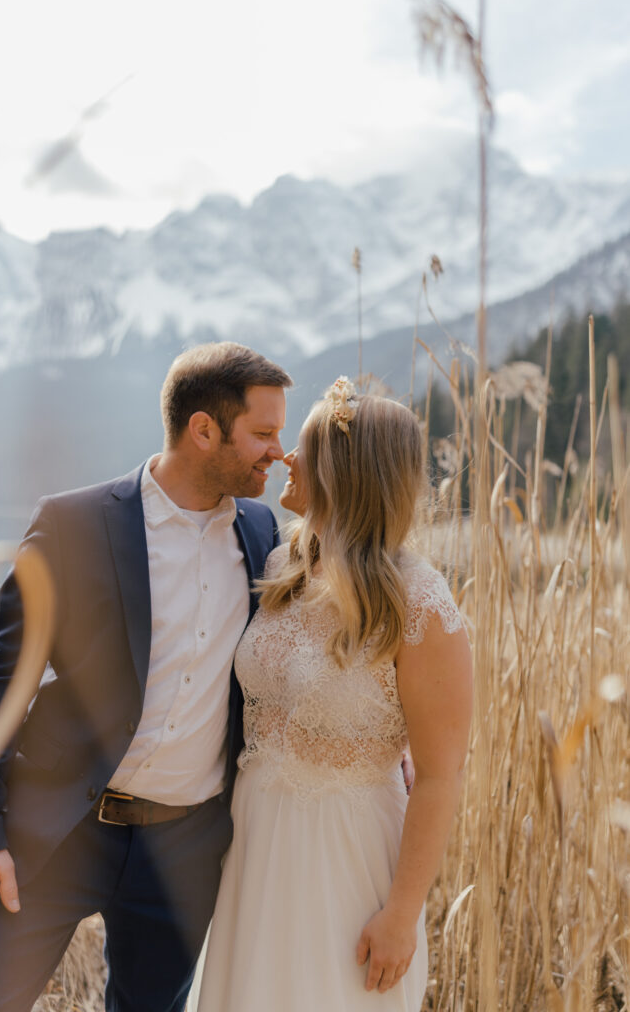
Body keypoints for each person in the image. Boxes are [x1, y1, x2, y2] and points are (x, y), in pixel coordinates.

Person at [0, 341, 292, 1012]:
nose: (277, 452)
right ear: (203, 430)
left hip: (184, 849)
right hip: (52, 828)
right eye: (263, 433)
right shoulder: (72, 523)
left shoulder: (261, 529)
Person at [193, 377, 473, 1012]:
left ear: (345, 471)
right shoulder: (282, 564)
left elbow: (439, 775)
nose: (287, 456)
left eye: (307, 447)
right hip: (252, 845)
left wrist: (402, 914)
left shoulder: (419, 606)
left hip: (346, 858)